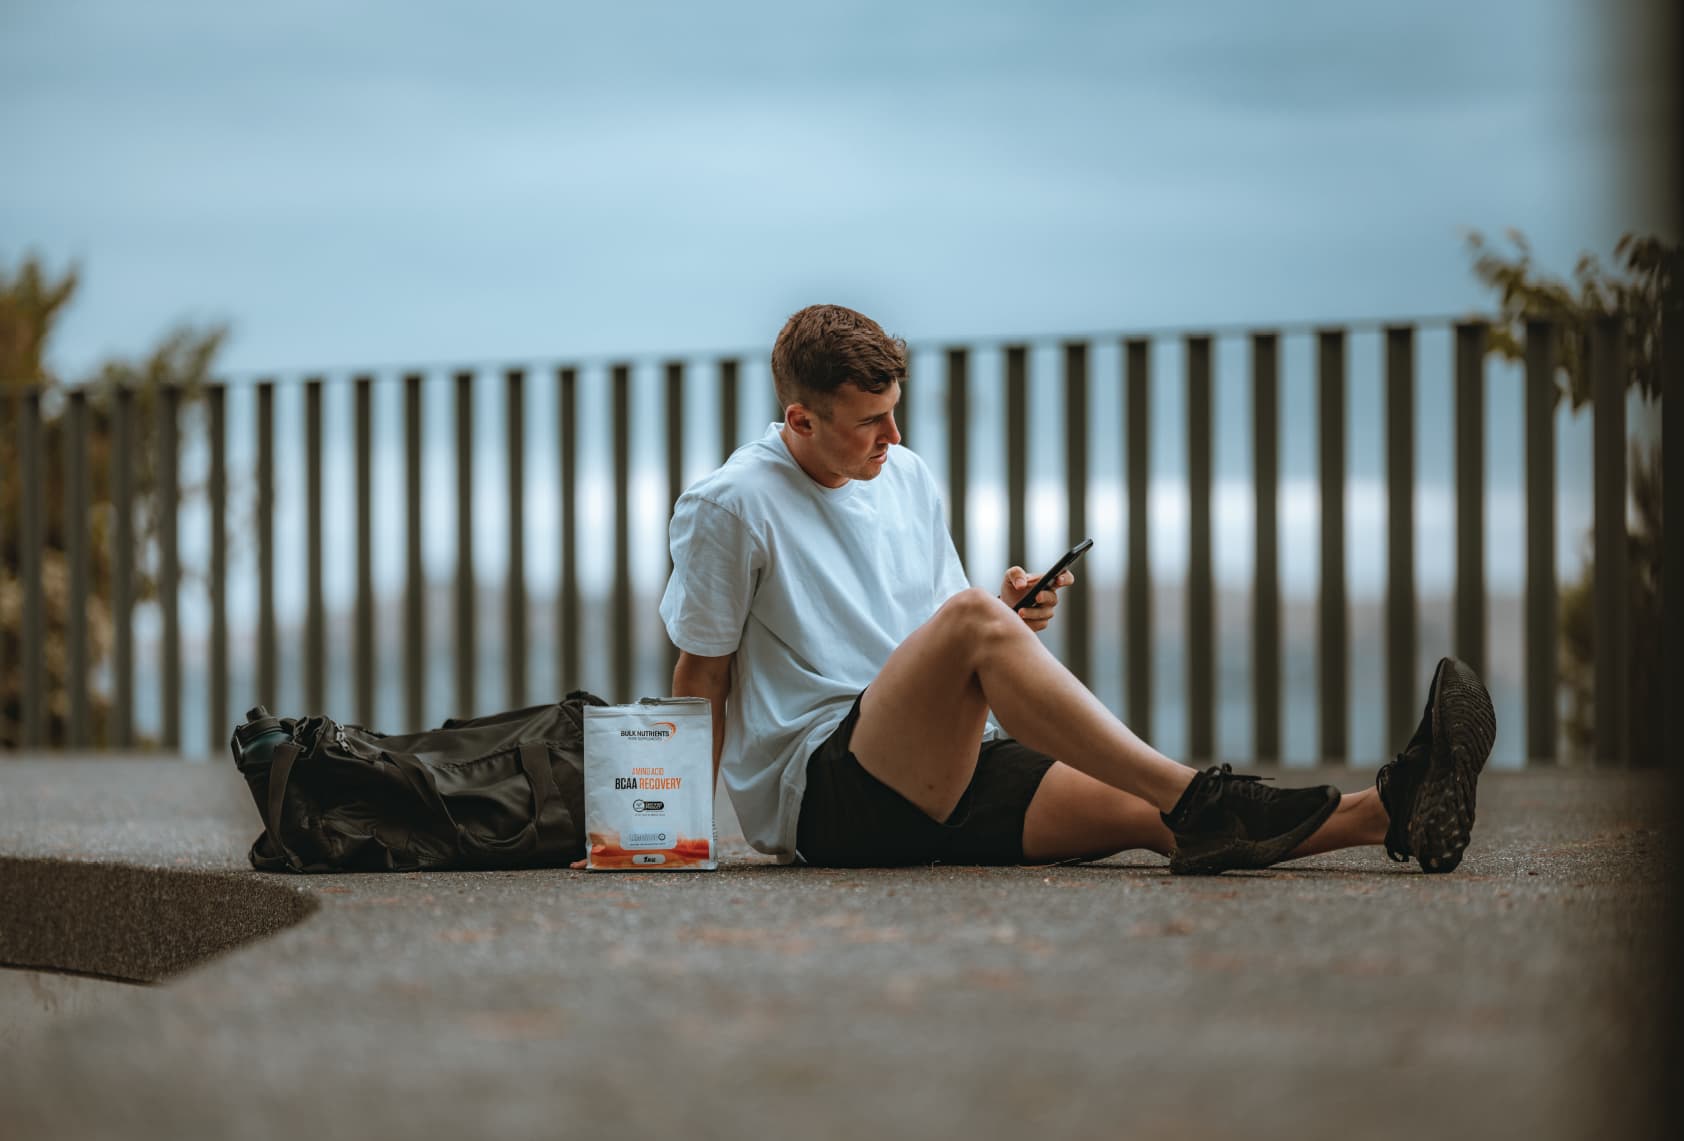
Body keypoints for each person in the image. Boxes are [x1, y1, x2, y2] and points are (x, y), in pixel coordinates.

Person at [657, 304, 1495, 874]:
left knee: (1155, 819)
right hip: (831, 795)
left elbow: (931, 631)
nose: (895, 434)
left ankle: (1392, 810)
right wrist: (673, 834)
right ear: (800, 421)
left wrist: (1010, 618)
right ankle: (1199, 789)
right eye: (869, 420)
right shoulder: (732, 506)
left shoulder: (905, 476)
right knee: (986, 630)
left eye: (896, 410)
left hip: (941, 764)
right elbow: (702, 676)